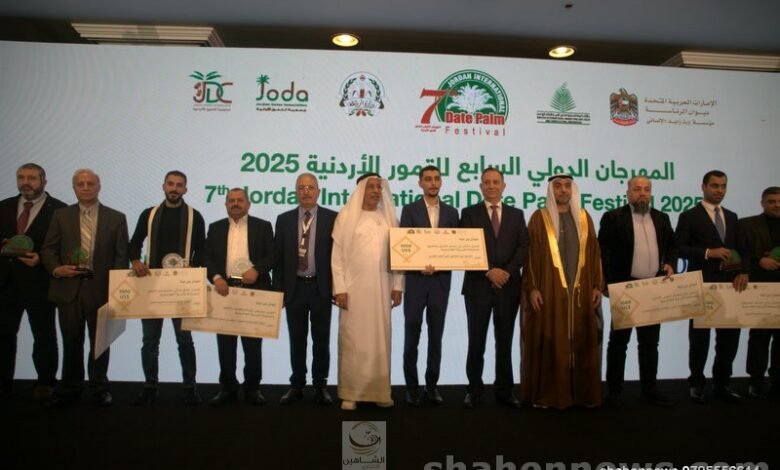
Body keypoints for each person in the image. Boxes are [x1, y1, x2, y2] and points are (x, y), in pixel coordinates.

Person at [41, 169, 129, 407]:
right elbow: (48, 249)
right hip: (68, 289)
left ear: (99, 186)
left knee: (100, 343)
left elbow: (121, 257)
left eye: (91, 183)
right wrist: (56, 269)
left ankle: (99, 388)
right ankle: (70, 387)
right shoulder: (60, 216)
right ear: (74, 188)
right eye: (81, 184)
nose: (86, 187)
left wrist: (116, 292)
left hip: (102, 290)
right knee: (71, 342)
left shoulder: (116, 217)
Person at [520, 174, 603, 409]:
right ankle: (551, 395)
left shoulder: (584, 218)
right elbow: (530, 258)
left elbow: (595, 255)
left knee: (582, 340)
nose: (563, 190)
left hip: (581, 295)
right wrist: (532, 288)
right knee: (551, 342)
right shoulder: (539, 218)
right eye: (557, 186)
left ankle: (583, 396)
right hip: (550, 294)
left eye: (567, 186)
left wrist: (597, 285)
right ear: (551, 190)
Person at [128, 171, 206, 406]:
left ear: (185, 190)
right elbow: (134, 243)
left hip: (181, 287)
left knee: (185, 341)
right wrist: (135, 261)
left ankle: (190, 387)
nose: (174, 188)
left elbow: (202, 249)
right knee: (150, 341)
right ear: (163, 186)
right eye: (170, 184)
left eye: (179, 185)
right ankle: (150, 386)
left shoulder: (195, 217)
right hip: (152, 285)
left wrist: (193, 266)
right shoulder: (149, 214)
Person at [598, 176, 677, 407]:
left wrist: (670, 262)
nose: (642, 193)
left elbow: (672, 245)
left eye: (646, 189)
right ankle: (614, 392)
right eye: (637, 189)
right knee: (619, 343)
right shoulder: (613, 217)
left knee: (650, 343)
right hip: (626, 288)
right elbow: (603, 252)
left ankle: (649, 390)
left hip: (652, 288)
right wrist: (607, 284)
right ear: (628, 192)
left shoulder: (661, 218)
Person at [331, 173, 404, 411]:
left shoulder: (389, 218)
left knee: (380, 340)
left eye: (378, 187)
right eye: (371, 186)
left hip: (382, 289)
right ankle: (351, 393)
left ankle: (380, 392)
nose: (375, 191)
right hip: (353, 291)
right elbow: (337, 257)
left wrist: (398, 285)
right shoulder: (346, 216)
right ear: (361, 189)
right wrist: (340, 289)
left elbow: (401, 254)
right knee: (353, 339)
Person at [676, 170, 748, 404]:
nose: (719, 190)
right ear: (703, 187)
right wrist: (708, 252)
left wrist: (743, 271)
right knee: (699, 340)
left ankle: (722, 384)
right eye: (715, 185)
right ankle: (696, 384)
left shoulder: (733, 217)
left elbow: (741, 250)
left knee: (729, 339)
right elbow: (679, 248)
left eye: (723, 186)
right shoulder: (689, 216)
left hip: (731, 286)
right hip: (702, 284)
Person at [460, 168, 528, 408]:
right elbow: (464, 247)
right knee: (476, 342)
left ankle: (505, 390)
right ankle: (474, 390)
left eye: (496, 182)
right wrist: (489, 270)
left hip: (509, 288)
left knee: (505, 342)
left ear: (503, 186)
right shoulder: (469, 213)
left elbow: (523, 248)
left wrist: (506, 271)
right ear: (481, 187)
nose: (491, 186)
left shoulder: (517, 215)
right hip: (478, 287)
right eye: (486, 182)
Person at [0, 163, 66, 401]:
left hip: (40, 282)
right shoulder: (4, 206)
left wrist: (42, 259)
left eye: (31, 178)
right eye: (21, 177)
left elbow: (64, 248)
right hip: (6, 282)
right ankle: (3, 384)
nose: (25, 182)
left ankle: (46, 383)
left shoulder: (59, 210)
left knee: (44, 334)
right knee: (4, 335)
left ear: (44, 181)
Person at [205, 188, 274, 406]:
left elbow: (273, 255)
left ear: (248, 204)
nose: (236, 204)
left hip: (253, 290)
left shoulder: (263, 226)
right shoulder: (215, 228)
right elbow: (206, 257)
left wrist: (257, 270)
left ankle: (253, 388)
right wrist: (216, 277)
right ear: (226, 204)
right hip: (224, 290)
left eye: (240, 200)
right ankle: (228, 388)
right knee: (225, 345)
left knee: (252, 345)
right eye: (231, 201)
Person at [274, 173, 337, 405]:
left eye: (311, 187)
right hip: (295, 289)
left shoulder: (333, 218)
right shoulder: (284, 219)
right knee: (297, 340)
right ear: (296, 192)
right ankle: (297, 385)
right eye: (301, 187)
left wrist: (338, 288)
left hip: (321, 288)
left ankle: (320, 385)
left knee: (321, 340)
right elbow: (278, 258)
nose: (306, 191)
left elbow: (338, 257)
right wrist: (279, 291)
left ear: (318, 191)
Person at [400, 165, 459, 406]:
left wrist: (443, 262)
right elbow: (403, 244)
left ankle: (431, 386)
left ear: (441, 182)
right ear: (420, 183)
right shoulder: (409, 210)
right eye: (428, 179)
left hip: (440, 283)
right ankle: (411, 387)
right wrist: (417, 264)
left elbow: (455, 247)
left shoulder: (452, 212)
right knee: (411, 335)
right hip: (415, 281)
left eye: (436, 179)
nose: (433, 183)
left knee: (436, 336)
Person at [738, 186, 780, 399]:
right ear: (762, 203)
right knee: (759, 338)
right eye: (771, 201)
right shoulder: (747, 224)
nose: (777, 205)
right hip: (760, 289)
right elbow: (741, 252)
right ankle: (755, 381)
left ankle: (777, 382)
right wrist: (759, 261)